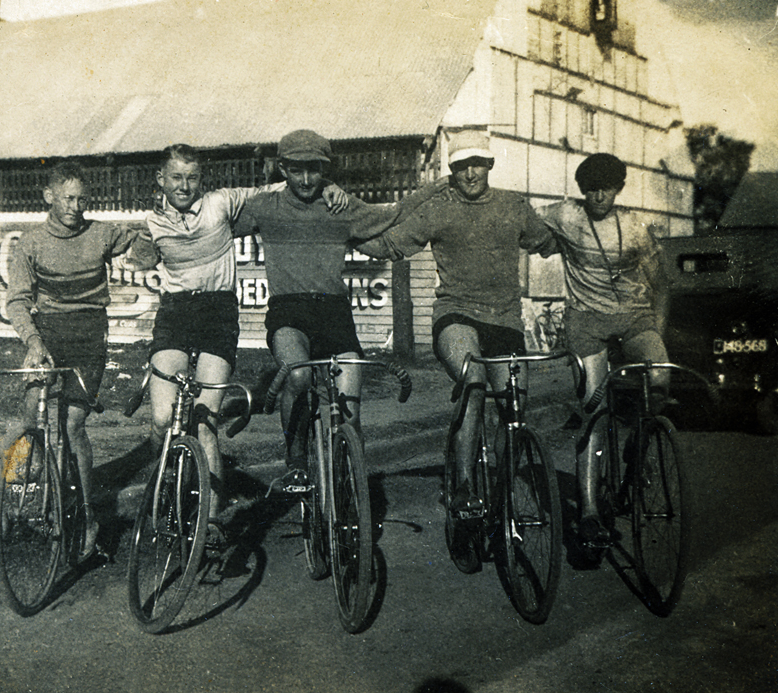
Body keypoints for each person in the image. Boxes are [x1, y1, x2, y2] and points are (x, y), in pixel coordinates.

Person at [144, 144, 348, 523]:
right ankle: (161, 475)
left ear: (201, 180)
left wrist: (327, 186)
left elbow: (276, 190)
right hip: (175, 314)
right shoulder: (150, 222)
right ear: (161, 179)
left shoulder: (220, 203)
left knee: (205, 420)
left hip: (218, 314)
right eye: (176, 177)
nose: (184, 186)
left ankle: (211, 521)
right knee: (160, 418)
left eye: (192, 177)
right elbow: (130, 252)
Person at [234, 129, 449, 486]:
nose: (306, 180)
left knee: (350, 412)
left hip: (334, 313)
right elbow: (215, 225)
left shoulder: (340, 206)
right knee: (298, 376)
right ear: (283, 169)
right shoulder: (265, 207)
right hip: (288, 312)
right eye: (297, 170)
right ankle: (296, 458)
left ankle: (352, 493)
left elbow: (390, 216)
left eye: (315, 169)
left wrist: (434, 190)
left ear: (326, 169)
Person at [357, 130, 553, 518]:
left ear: (489, 165)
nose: (470, 173)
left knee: (515, 407)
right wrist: (339, 234)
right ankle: (462, 485)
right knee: (473, 382)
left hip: (505, 320)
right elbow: (389, 245)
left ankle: (503, 496)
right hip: (456, 316)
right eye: (462, 166)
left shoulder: (513, 206)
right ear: (452, 170)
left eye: (477, 164)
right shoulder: (439, 208)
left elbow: (549, 241)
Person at [6, 160, 158, 558]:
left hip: (89, 336)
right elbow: (17, 301)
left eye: (81, 199)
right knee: (30, 415)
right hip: (47, 334)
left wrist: (144, 251)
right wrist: (33, 341)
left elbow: (144, 247)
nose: (75, 207)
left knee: (72, 425)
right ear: (49, 197)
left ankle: (88, 517)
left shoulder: (101, 233)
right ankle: (31, 495)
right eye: (68, 198)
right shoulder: (32, 242)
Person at [532, 152, 669, 546]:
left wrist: (657, 336)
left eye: (606, 189)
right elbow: (520, 220)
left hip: (634, 318)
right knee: (594, 408)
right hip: (586, 321)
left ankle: (638, 445)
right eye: (591, 189)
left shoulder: (635, 227)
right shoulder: (565, 215)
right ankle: (590, 512)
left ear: (618, 189)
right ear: (581, 190)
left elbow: (662, 286)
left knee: (661, 377)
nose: (598, 197)